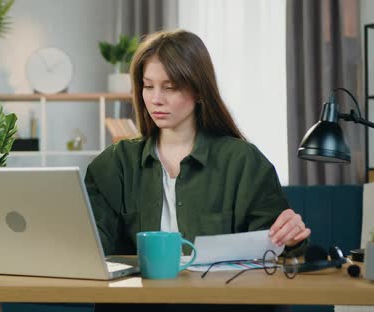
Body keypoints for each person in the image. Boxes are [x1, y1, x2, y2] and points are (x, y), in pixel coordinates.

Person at [85, 29, 310, 312]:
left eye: (170, 87)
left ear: (199, 90)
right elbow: (91, 249)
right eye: (148, 86)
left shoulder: (242, 161)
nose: (156, 99)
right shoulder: (115, 163)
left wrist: (289, 238)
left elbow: (275, 252)